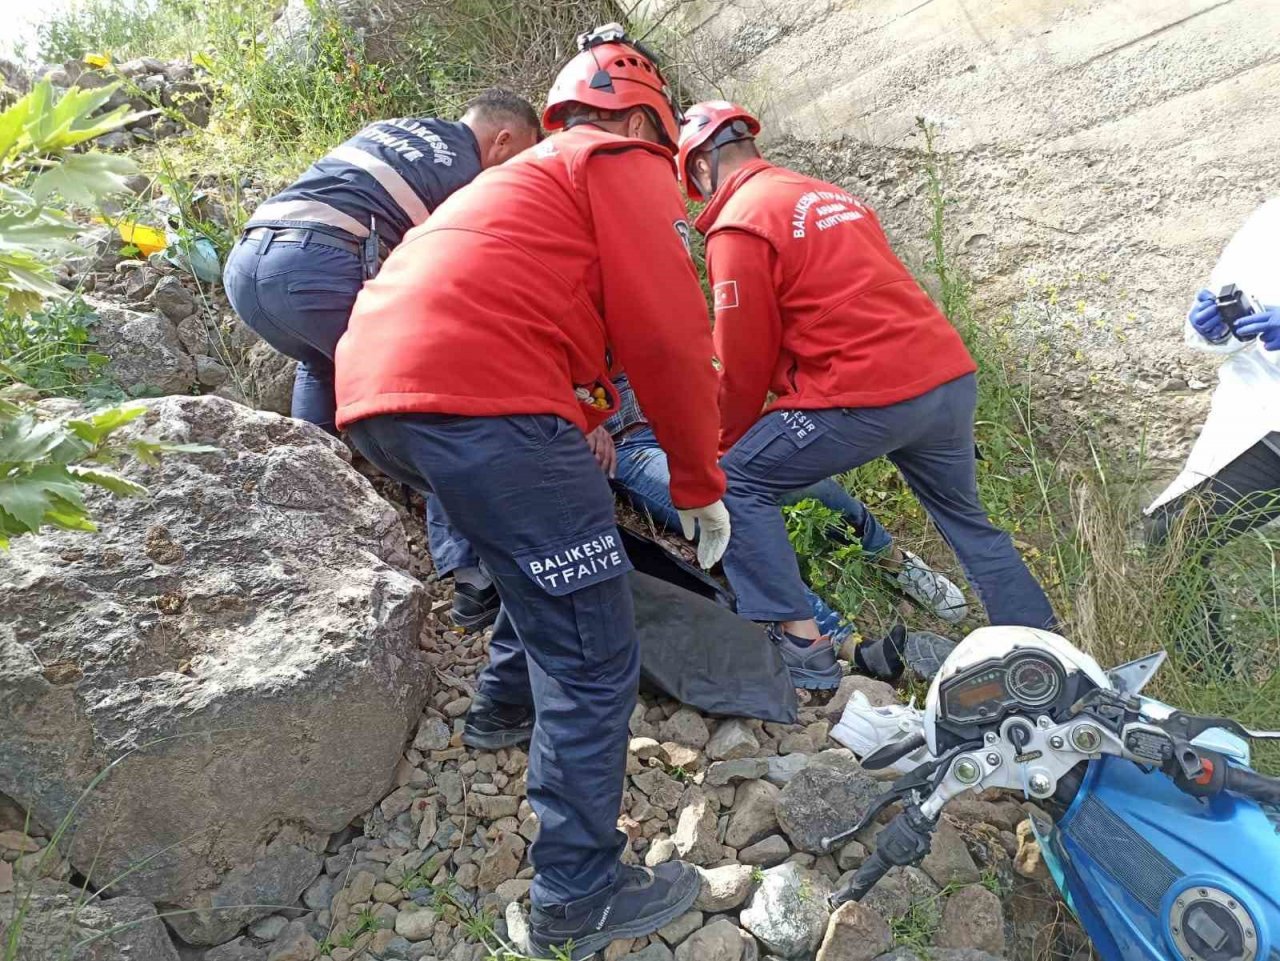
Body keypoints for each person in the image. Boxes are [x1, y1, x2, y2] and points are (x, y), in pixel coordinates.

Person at [333, 26, 728, 960]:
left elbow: (549, 319)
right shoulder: (618, 157)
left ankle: (502, 708)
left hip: (385, 394)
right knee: (593, 651)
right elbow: (671, 337)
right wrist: (698, 478)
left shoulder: (522, 181)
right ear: (643, 120)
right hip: (485, 399)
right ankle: (576, 888)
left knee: (530, 555)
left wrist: (582, 405)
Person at [677, 101, 1056, 687]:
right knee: (968, 523)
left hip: (867, 392)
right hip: (945, 378)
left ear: (701, 166)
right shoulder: (829, 197)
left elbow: (742, 359)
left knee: (738, 479)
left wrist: (720, 440)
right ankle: (1047, 662)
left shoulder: (740, 223)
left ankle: (801, 648)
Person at [223, 89, 541, 625]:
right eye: (522, 155)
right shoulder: (468, 172)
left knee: (322, 362)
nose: (518, 169)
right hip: (318, 266)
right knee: (437, 404)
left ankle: (310, 501)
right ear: (503, 138)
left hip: (250, 266)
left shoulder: (399, 129)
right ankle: (470, 575)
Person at [600, 372, 968, 662]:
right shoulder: (551, 319)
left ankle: (894, 562)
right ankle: (842, 642)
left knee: (808, 483)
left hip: (692, 424)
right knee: (730, 519)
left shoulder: (620, 297)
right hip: (632, 446)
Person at [1144, 198, 1280, 667]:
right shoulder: (1270, 220)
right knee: (1173, 531)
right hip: (1269, 427)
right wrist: (1212, 325)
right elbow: (1224, 299)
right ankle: (1210, 692)